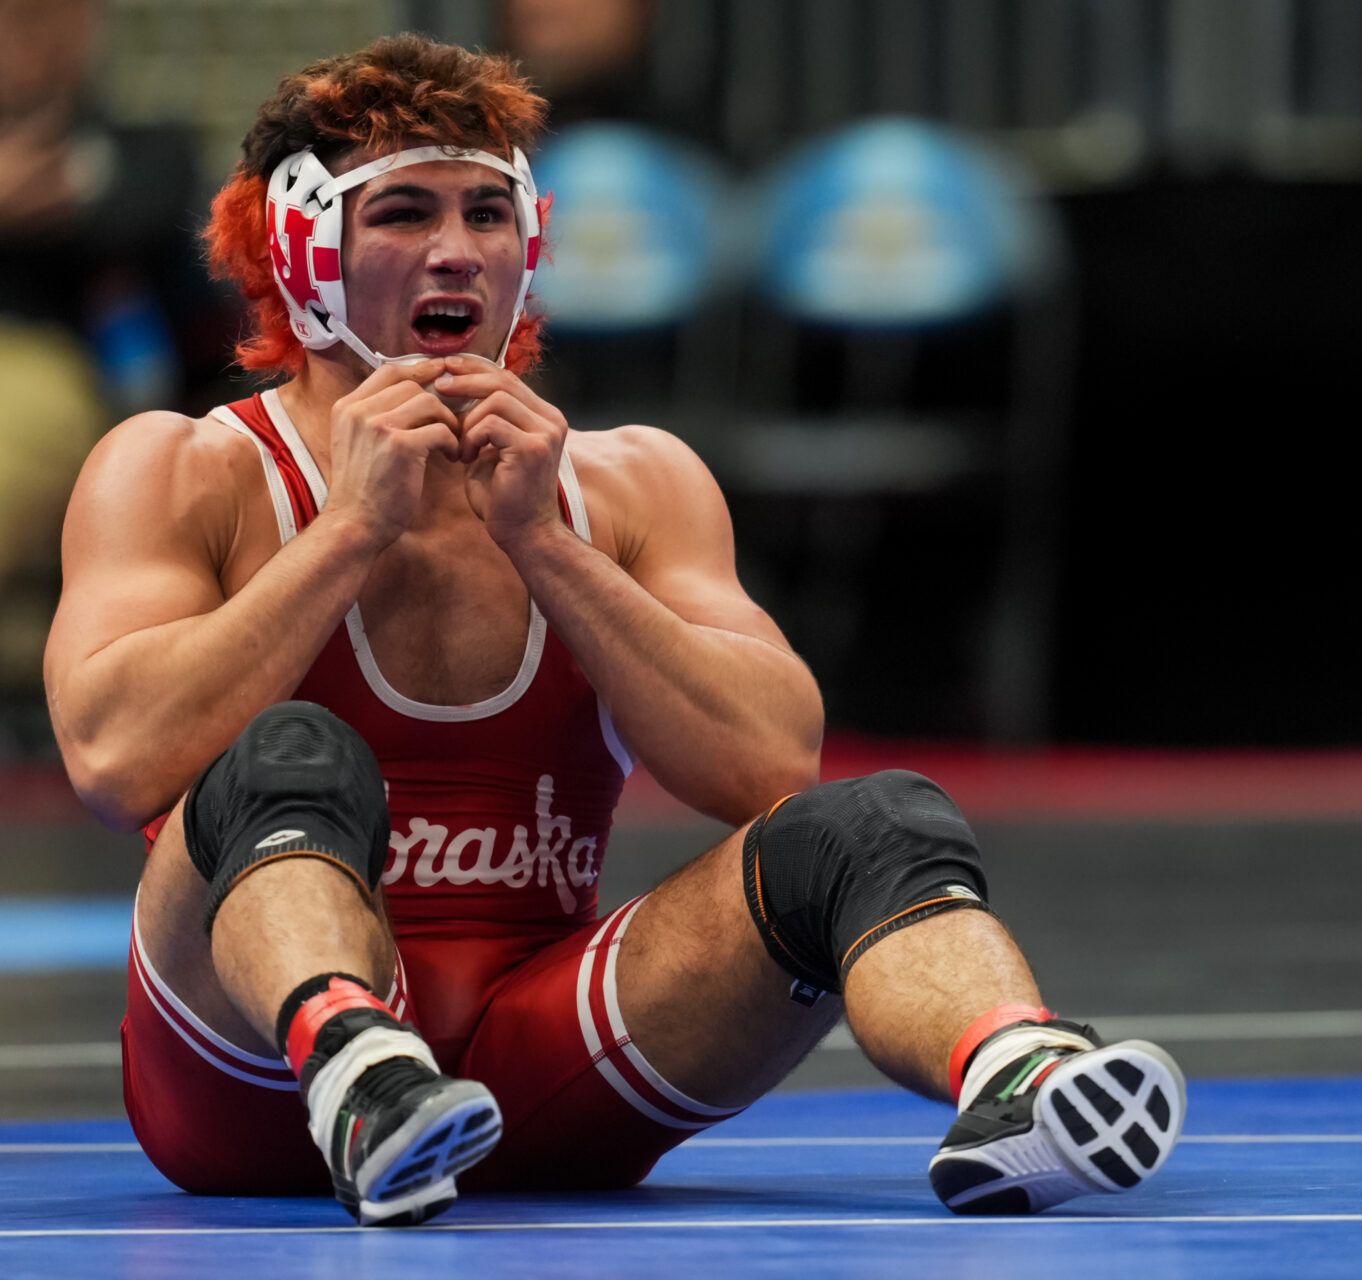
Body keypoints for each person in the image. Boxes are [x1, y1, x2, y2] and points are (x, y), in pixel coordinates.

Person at [42, 34, 1184, 1227]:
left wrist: (549, 547)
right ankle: (358, 1060)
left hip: (530, 1063)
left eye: (488, 212)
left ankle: (1020, 1074)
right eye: (403, 214)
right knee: (289, 755)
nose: (454, 250)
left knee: (869, 822)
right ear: (298, 247)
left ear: (530, 245)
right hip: (246, 1083)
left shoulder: (628, 484)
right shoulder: (181, 469)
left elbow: (766, 766)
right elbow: (117, 760)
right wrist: (347, 532)